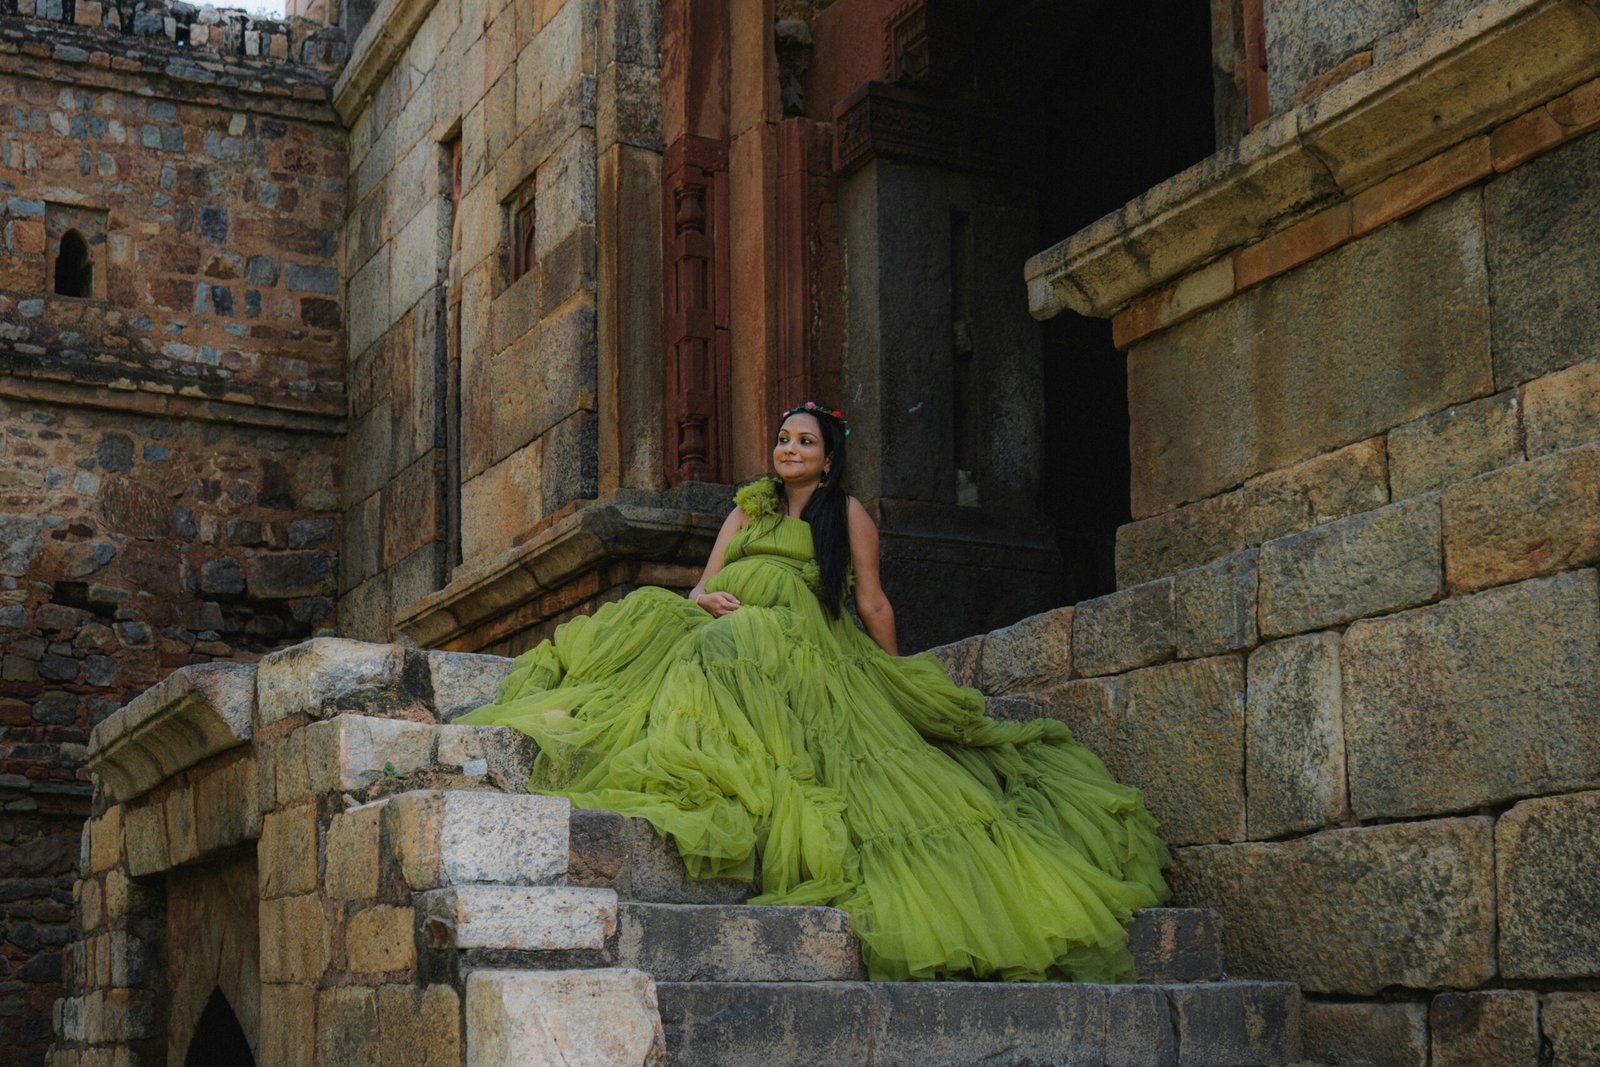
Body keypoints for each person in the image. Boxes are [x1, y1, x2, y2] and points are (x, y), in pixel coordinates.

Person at [457, 402, 1171, 981]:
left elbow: (873, 603)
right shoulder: (747, 511)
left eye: (804, 441)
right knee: (652, 615)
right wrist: (705, 600)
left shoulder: (846, 516)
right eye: (782, 438)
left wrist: (894, 679)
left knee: (733, 644)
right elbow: (704, 582)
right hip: (728, 625)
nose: (789, 448)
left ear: (828, 458)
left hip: (799, 644)